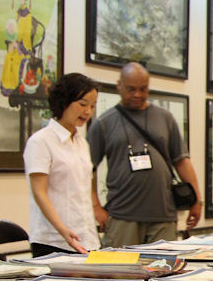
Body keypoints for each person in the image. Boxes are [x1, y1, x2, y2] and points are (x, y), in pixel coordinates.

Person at [88, 62, 202, 247]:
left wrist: (197, 200)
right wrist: (96, 208)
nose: (137, 95)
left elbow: (182, 161)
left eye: (143, 89)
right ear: (119, 86)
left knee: (163, 271)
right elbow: (87, 170)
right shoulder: (104, 123)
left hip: (163, 216)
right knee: (120, 272)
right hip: (123, 217)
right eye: (131, 89)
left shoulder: (165, 118)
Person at [23, 73, 102, 257]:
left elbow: (84, 186)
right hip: (53, 240)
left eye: (92, 106)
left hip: (86, 238)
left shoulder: (82, 143)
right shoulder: (41, 141)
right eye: (82, 104)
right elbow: (39, 192)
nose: (88, 112)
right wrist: (63, 230)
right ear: (64, 102)